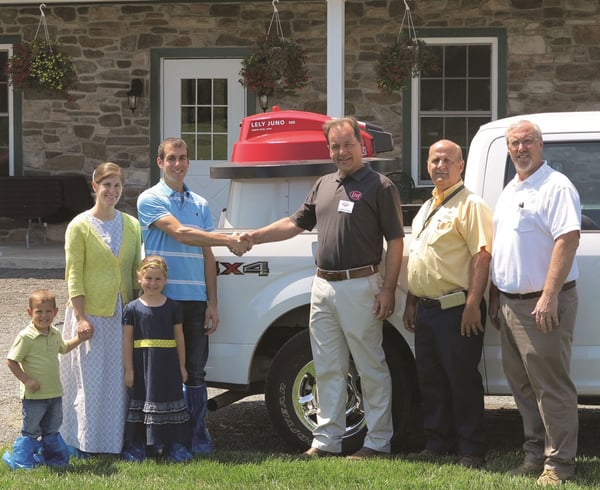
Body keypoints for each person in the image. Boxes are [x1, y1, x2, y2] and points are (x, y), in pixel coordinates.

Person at [240, 117, 405, 459]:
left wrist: (388, 289)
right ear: (328, 150)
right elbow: (293, 223)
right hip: (323, 286)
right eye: (335, 146)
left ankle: (377, 442)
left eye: (348, 144)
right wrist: (255, 236)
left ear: (361, 144)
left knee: (369, 365)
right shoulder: (323, 184)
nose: (342, 151)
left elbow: (396, 240)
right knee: (327, 365)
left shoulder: (380, 186)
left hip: (361, 285)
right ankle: (326, 441)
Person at [137, 137, 248, 455]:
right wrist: (229, 240)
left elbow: (207, 255)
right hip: (162, 300)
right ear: (160, 162)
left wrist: (213, 302)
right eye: (171, 158)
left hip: (196, 300)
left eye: (183, 158)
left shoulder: (200, 204)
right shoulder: (150, 199)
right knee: (162, 369)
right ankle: (161, 439)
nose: (178, 164)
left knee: (196, 371)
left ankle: (195, 435)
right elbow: (181, 233)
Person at [488, 120, 580, 486]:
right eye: (514, 143)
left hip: (541, 304)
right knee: (523, 386)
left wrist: (549, 295)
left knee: (551, 386)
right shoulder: (512, 188)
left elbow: (568, 239)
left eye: (527, 141)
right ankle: (534, 454)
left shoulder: (555, 186)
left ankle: (559, 465)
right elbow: (507, 246)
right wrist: (496, 292)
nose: (520, 148)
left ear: (541, 145)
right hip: (511, 304)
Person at [402, 139, 492, 468]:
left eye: (447, 160)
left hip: (457, 310)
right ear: (427, 165)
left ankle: (471, 449)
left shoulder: (471, 205)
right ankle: (437, 443)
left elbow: (481, 256)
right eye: (434, 160)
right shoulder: (427, 207)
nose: (440, 165)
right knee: (431, 380)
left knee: (462, 380)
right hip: (426, 310)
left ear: (461, 166)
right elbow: (421, 259)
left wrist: (472, 304)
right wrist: (411, 300)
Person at [60, 162, 142, 455]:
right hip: (91, 314)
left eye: (117, 185)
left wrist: (139, 309)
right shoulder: (79, 226)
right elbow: (74, 274)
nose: (112, 191)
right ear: (95, 187)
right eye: (106, 184)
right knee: (90, 382)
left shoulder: (132, 224)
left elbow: (135, 270)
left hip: (123, 312)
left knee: (119, 380)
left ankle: (116, 441)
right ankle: (85, 441)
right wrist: (80, 317)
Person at [3, 289, 88, 470]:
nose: (44, 316)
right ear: (29, 312)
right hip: (34, 396)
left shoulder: (54, 333)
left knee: (52, 427)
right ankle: (23, 460)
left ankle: (52, 457)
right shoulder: (26, 336)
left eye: (48, 311)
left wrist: (79, 339)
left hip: (54, 392)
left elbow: (64, 348)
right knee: (32, 429)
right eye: (39, 311)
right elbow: (11, 361)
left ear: (56, 312)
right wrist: (26, 380)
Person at [121, 255, 192, 463]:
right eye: (148, 278)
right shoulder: (132, 308)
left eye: (157, 279)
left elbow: (179, 337)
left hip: (167, 365)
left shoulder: (173, 307)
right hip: (143, 365)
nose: (152, 283)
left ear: (165, 280)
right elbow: (127, 340)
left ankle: (174, 445)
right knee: (143, 401)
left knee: (169, 399)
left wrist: (182, 366)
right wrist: (129, 370)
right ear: (139, 279)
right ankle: (140, 445)